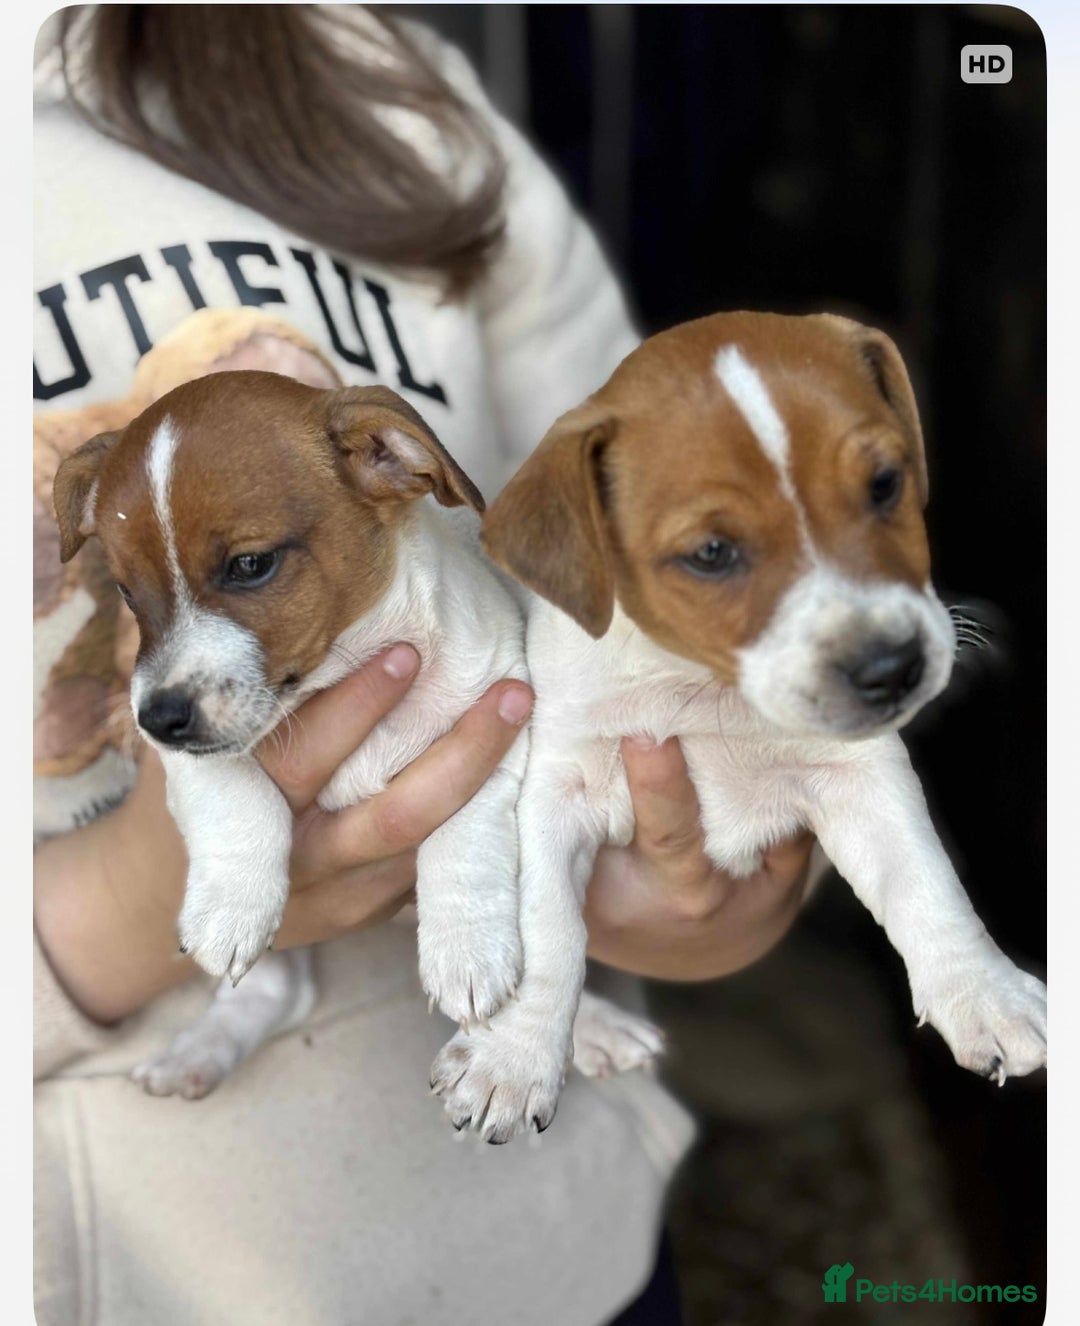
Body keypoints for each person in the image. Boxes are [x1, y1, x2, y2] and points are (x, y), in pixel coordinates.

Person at [33, 8, 815, 1324]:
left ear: (402, 469)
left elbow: (636, 569)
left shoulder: (387, 86)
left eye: (246, 570)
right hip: (143, 1275)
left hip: (555, 1239)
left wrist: (700, 886)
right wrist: (124, 903)